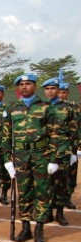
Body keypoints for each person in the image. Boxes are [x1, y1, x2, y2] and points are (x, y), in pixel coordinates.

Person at [2, 73, 57, 242]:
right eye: (21, 84)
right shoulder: (11, 108)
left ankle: (39, 227)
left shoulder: (46, 107)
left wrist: (54, 159)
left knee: (42, 192)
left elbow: (55, 134)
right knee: (23, 192)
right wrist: (6, 159)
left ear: (35, 86)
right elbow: (5, 135)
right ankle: (25, 227)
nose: (24, 86)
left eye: (28, 83)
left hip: (41, 154)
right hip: (20, 155)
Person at [42, 78, 75, 226]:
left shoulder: (69, 108)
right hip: (43, 152)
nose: (50, 91)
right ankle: (47, 212)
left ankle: (59, 213)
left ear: (58, 90)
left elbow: (74, 131)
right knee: (45, 184)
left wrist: (74, 151)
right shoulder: (40, 108)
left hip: (63, 151)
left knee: (61, 183)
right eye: (47, 89)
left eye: (53, 88)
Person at [59, 83, 79, 210]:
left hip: (70, 147)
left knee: (70, 174)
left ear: (68, 93)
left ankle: (67, 198)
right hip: (54, 147)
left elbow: (77, 128)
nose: (61, 95)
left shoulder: (75, 108)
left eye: (64, 92)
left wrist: (76, 148)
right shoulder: (49, 108)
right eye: (59, 92)